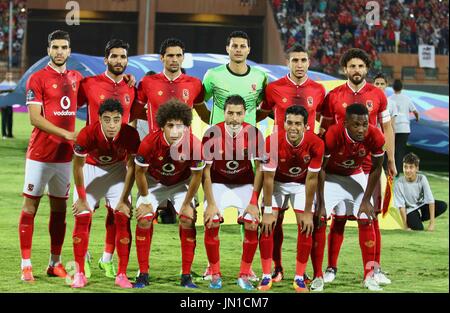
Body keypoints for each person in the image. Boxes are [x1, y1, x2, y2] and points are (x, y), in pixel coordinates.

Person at [319, 48, 395, 285]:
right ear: (345, 69)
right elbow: (324, 129)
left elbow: (387, 129)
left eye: (361, 66)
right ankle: (331, 268)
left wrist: (390, 160)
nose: (356, 70)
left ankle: (375, 268)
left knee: (370, 217)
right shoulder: (333, 96)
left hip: (370, 163)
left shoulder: (378, 95)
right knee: (339, 216)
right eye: (352, 66)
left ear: (366, 69)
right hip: (339, 164)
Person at [18, 30, 83, 281]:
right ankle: (26, 264)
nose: (59, 51)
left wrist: (129, 79)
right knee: (30, 206)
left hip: (65, 159)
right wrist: (66, 135)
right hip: (40, 155)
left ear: (69, 50)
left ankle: (54, 262)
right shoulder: (37, 78)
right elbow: (35, 118)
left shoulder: (77, 78)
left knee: (59, 209)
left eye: (63, 47)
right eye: (55, 47)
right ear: (48, 50)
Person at [258, 44, 326, 283]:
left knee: (309, 222)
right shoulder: (274, 88)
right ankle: (276, 268)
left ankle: (304, 272)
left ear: (309, 63)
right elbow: (262, 112)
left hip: (305, 162)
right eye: (295, 60)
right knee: (272, 223)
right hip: (278, 160)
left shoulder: (318, 90)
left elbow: (323, 118)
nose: (299, 65)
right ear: (288, 62)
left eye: (303, 60)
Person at [77, 38, 137, 279]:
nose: (119, 61)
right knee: (84, 212)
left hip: (119, 164)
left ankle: (107, 259)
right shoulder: (89, 84)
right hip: (90, 161)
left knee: (119, 213)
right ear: (106, 60)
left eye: (123, 57)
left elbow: (134, 118)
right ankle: (84, 259)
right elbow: (70, 104)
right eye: (114, 56)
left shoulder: (132, 87)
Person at [133, 99, 204, 289]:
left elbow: (197, 177)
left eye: (179, 126)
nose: (174, 131)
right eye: (170, 125)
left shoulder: (195, 145)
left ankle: (186, 275)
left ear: (186, 127)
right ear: (162, 126)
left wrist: (188, 203)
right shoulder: (149, 142)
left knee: (188, 218)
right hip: (154, 184)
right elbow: (139, 172)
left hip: (181, 184)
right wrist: (146, 199)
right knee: (144, 218)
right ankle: (143, 273)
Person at [70, 99, 140, 288]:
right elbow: (77, 167)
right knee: (82, 216)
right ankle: (79, 273)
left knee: (122, 217)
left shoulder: (131, 134)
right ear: (99, 118)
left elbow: (133, 167)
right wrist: (82, 198)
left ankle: (122, 275)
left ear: (122, 119)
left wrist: (125, 198)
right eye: (107, 119)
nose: (112, 125)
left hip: (117, 171)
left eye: (116, 120)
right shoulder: (87, 134)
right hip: (91, 171)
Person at [317, 103, 386, 291]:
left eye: (364, 124)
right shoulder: (333, 134)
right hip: (330, 176)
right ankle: (325, 271)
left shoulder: (375, 135)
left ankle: (369, 275)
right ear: (346, 122)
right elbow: (320, 169)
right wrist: (321, 203)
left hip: (355, 174)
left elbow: (376, 167)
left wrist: (365, 200)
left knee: (366, 218)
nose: (361, 129)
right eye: (356, 125)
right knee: (321, 219)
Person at [202, 95, 264, 290]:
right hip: (218, 183)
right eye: (230, 113)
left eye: (239, 114)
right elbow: (205, 171)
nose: (235, 118)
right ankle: (214, 272)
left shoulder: (254, 133)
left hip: (244, 184)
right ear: (223, 113)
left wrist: (254, 201)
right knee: (211, 221)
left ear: (245, 114)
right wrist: (211, 203)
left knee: (253, 224)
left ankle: (245, 273)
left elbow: (260, 168)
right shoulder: (212, 133)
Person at [259, 105, 324, 292]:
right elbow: (268, 178)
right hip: (277, 184)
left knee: (306, 226)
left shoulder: (316, 143)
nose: (293, 127)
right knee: (267, 225)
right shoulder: (272, 141)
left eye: (298, 124)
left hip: (301, 185)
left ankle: (299, 277)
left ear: (306, 126)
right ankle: (267, 275)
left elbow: (312, 178)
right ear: (283, 124)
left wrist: (307, 212)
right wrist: (269, 210)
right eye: (289, 123)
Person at [135, 37, 208, 132]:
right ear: (162, 58)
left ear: (183, 57)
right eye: (170, 56)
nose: (175, 59)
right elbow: (134, 112)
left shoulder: (195, 83)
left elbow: (204, 114)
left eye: (178, 55)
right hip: (156, 144)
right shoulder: (147, 82)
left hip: (183, 144)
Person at [203, 30, 268, 126]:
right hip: (219, 137)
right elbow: (199, 103)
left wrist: (250, 122)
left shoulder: (260, 77)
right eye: (234, 46)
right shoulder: (213, 75)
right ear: (227, 49)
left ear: (248, 49)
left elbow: (266, 107)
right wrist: (213, 123)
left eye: (242, 46)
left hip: (248, 137)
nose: (238, 50)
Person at [394, 153, 447, 231]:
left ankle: (417, 218)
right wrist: (405, 226)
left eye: (411, 167)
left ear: (417, 168)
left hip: (421, 206)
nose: (407, 170)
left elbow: (430, 200)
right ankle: (414, 219)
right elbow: (401, 207)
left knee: (442, 205)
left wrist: (432, 223)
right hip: (409, 210)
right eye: (405, 167)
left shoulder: (422, 179)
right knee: (419, 229)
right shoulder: (398, 183)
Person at [388, 79, 419, 176]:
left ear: (392, 88)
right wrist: (417, 119)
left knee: (391, 150)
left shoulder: (390, 99)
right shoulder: (406, 98)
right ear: (402, 87)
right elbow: (415, 111)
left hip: (392, 128)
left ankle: (389, 170)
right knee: (400, 150)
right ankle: (397, 172)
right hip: (404, 127)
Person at [373, 72, 398, 173]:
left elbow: (392, 126)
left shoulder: (391, 104)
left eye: (382, 84)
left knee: (385, 170)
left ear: (386, 85)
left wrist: (391, 144)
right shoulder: (368, 101)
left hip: (385, 141)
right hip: (371, 141)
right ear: (373, 84)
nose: (379, 86)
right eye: (377, 83)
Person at [0, 72, 17, 139]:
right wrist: (8, 90)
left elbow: (16, 92)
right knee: (4, 119)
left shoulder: (14, 84)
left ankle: (10, 134)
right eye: (8, 75)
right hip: (4, 103)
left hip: (10, 103)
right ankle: (4, 134)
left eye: (10, 75)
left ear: (12, 76)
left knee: (10, 119)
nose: (9, 76)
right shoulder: (2, 84)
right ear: (5, 76)